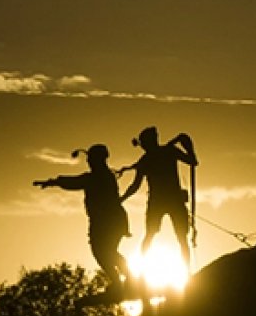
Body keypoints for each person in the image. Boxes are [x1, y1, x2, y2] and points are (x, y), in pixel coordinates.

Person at [33, 144, 132, 295]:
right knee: (105, 252)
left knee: (105, 252)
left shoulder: (100, 177)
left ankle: (125, 280)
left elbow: (77, 182)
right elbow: (78, 181)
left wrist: (54, 182)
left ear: (98, 159)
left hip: (108, 222)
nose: (88, 162)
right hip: (108, 221)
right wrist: (54, 182)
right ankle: (123, 281)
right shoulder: (103, 176)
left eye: (90, 159)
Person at [119, 126, 198, 268]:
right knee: (153, 235)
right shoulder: (160, 154)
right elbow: (135, 186)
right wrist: (122, 199)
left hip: (168, 201)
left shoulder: (162, 153)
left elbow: (193, 160)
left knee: (178, 238)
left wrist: (185, 143)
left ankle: (186, 270)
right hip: (162, 202)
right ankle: (143, 271)